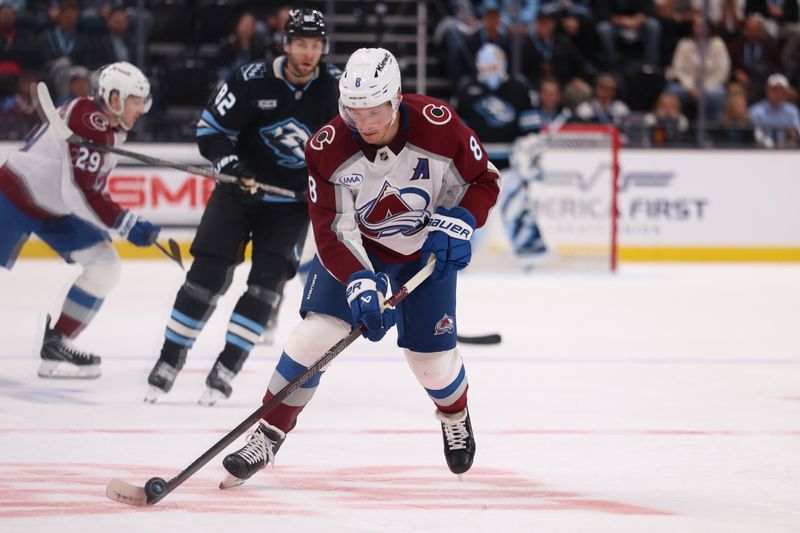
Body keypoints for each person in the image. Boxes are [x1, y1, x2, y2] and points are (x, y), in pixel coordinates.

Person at [219, 47, 500, 488]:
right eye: (353, 112)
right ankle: (269, 432)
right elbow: (332, 228)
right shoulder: (326, 147)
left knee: (431, 366)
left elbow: (485, 180)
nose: (364, 123)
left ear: (397, 98)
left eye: (374, 111)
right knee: (313, 337)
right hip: (360, 253)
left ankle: (454, 414)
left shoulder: (439, 124)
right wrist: (359, 281)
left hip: (425, 253)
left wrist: (461, 221)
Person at [144, 8, 340, 406]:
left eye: (315, 45)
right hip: (237, 195)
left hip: (289, 207)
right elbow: (211, 131)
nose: (308, 52)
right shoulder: (251, 79)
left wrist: (323, 186)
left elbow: (348, 150)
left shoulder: (335, 89)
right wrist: (232, 167)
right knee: (206, 278)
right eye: (300, 43)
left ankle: (226, 369)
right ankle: (169, 359)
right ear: (286, 44)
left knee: (266, 288)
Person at [0, 61, 159, 379]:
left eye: (143, 100)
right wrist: (124, 221)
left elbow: (85, 189)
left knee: (105, 266)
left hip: (53, 210)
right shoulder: (88, 120)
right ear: (114, 98)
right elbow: (77, 191)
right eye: (135, 100)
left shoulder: (108, 127)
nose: (141, 108)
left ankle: (56, 343)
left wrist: (114, 221)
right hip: (16, 194)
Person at [453, 43, 537, 169]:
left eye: (492, 68)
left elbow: (531, 131)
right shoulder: (466, 91)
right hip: (477, 161)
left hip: (512, 161)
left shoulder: (520, 89)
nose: (488, 73)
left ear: (502, 64)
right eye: (484, 69)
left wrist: (524, 156)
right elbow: (458, 132)